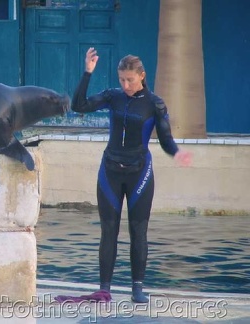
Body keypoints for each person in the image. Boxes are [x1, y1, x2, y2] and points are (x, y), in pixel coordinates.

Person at [71, 48, 192, 303]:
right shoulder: (113, 97)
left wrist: (177, 153)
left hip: (140, 173)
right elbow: (78, 105)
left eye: (130, 80)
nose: (125, 85)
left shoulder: (154, 104)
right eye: (122, 80)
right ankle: (105, 288)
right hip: (110, 172)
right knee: (108, 230)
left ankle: (137, 288)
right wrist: (87, 72)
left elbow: (166, 140)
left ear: (142, 76)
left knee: (139, 231)